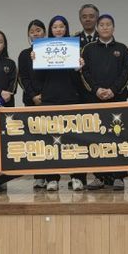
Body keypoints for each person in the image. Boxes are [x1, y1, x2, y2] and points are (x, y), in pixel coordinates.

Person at [32, 15, 86, 191]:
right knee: (51, 140)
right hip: (50, 99)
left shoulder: (74, 48)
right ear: (50, 29)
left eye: (61, 26)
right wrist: (36, 60)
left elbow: (79, 81)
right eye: (55, 27)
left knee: (74, 139)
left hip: (71, 98)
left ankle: (77, 177)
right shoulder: (42, 49)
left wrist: (78, 68)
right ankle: (52, 178)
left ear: (66, 28)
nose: (58, 30)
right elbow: (38, 79)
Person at [80, 14, 128, 190]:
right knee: (97, 137)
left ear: (113, 28)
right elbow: (84, 72)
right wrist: (96, 90)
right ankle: (99, 177)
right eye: (101, 25)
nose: (105, 27)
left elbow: (127, 73)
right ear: (97, 28)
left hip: (117, 100)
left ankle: (119, 177)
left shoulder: (122, 49)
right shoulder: (88, 49)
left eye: (108, 24)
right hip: (95, 100)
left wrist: (113, 90)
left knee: (118, 137)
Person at [17, 19, 48, 189]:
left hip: (50, 100)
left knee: (50, 139)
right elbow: (23, 78)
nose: (35, 33)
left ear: (45, 33)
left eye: (38, 30)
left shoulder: (51, 52)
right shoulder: (24, 55)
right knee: (36, 140)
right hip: (31, 101)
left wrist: (46, 95)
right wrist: (34, 96)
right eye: (32, 31)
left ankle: (52, 176)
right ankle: (39, 176)